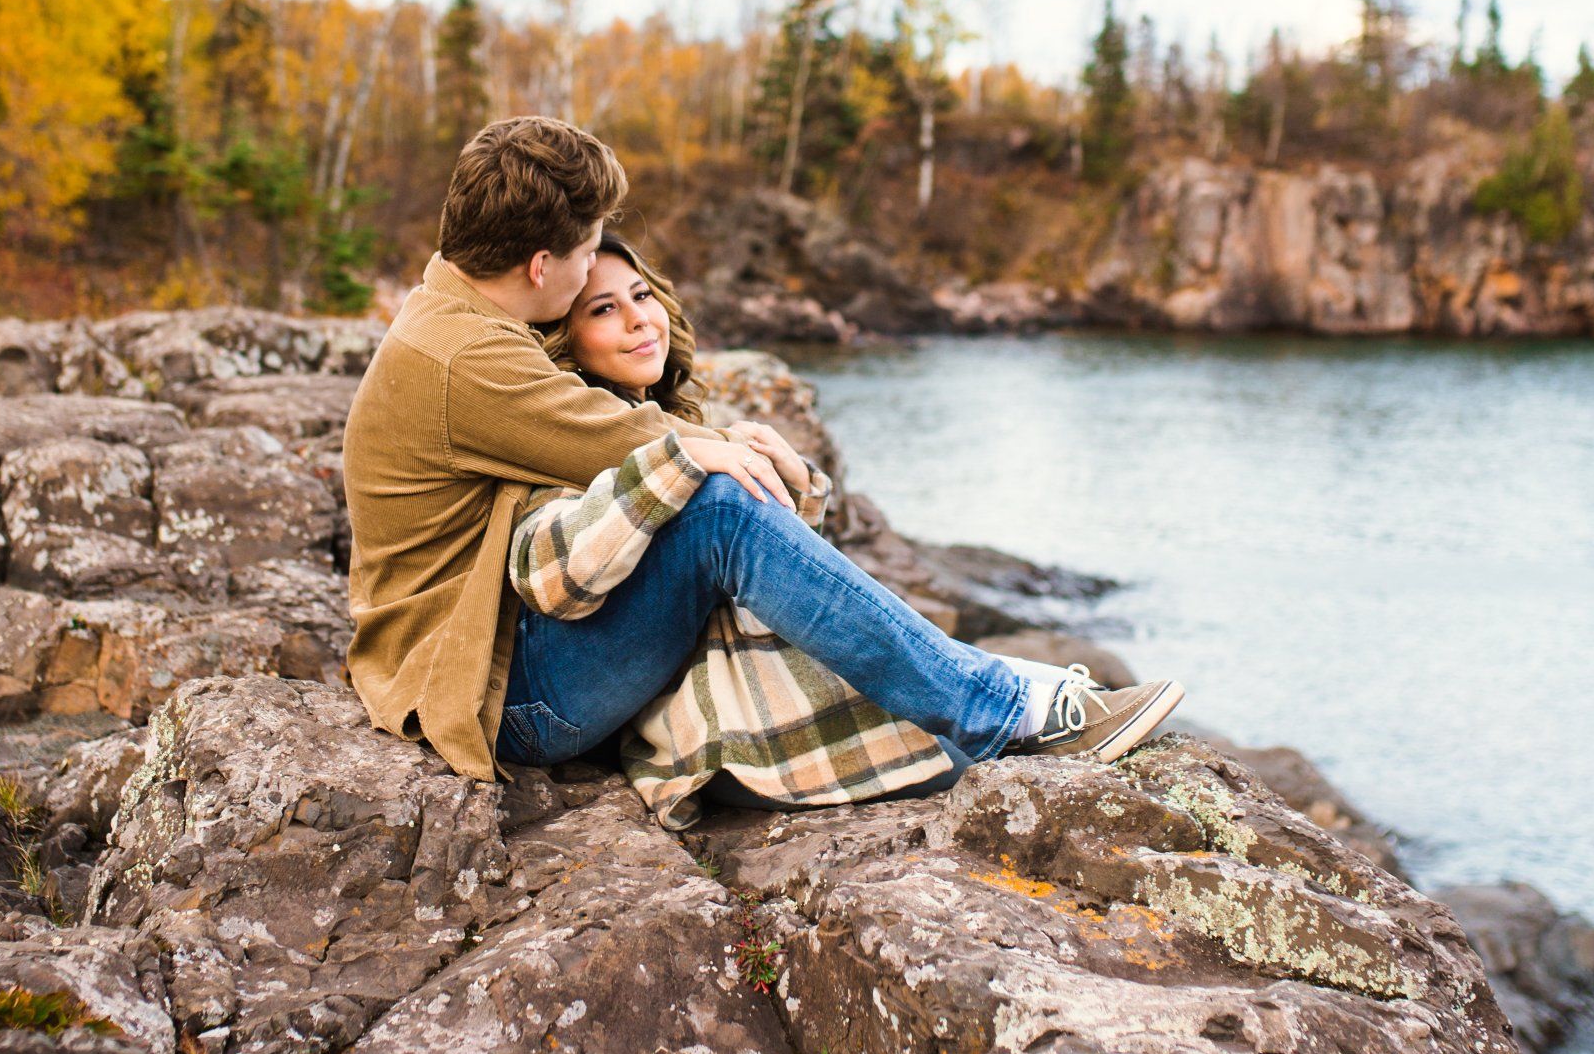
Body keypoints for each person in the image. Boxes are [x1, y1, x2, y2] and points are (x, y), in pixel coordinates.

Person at [343, 115, 1181, 803]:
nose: (619, 292)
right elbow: (623, 439)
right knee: (714, 506)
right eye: (591, 247)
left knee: (723, 518)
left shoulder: (452, 319)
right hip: (497, 693)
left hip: (515, 648)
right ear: (540, 266)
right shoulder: (467, 358)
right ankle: (1002, 711)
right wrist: (720, 448)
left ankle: (986, 709)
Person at [505, 231, 1184, 824]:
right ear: (565, 338)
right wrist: (684, 466)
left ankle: (1022, 702)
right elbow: (547, 574)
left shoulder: (665, 422)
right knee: (721, 506)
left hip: (637, 690)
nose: (637, 320)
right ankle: (1007, 706)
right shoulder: (557, 423)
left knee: (936, 742)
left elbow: (722, 584)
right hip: (542, 702)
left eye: (641, 295)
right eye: (603, 309)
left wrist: (787, 494)